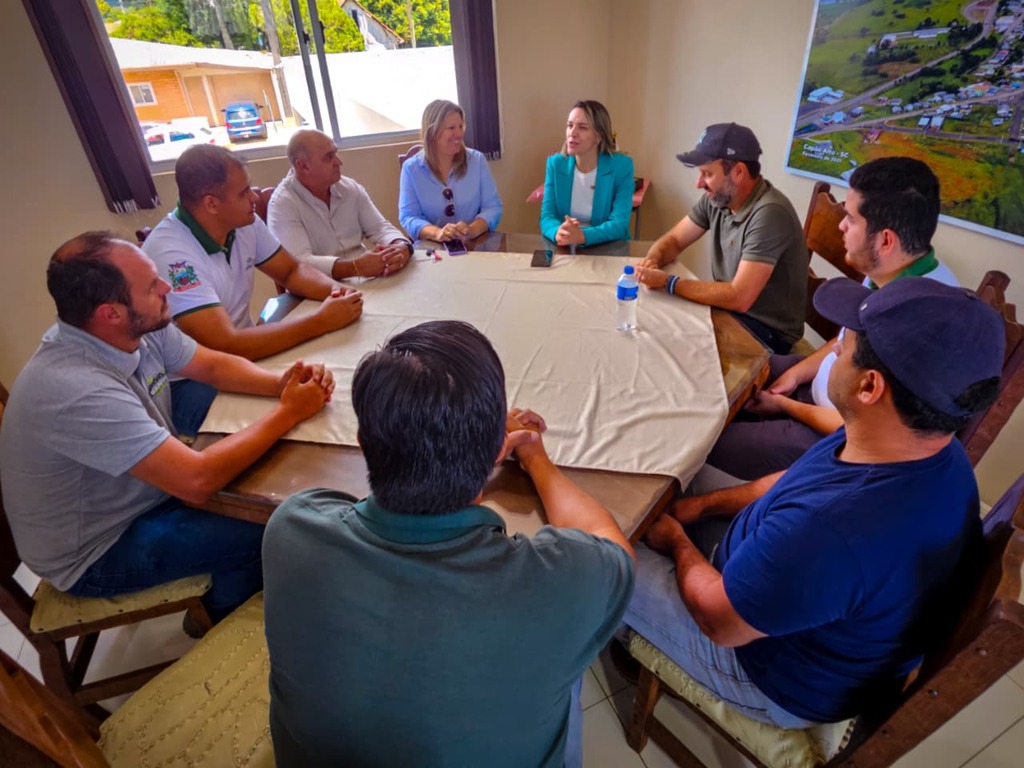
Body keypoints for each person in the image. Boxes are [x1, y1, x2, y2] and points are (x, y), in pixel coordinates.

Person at [624, 276, 1003, 728]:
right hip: (778, 587)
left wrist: (677, 544)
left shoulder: (836, 531)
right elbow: (793, 481)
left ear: (869, 386)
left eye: (844, 343)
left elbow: (719, 621)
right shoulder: (919, 441)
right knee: (660, 467)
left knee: (597, 549)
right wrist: (704, 507)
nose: (833, 348)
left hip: (762, 668)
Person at [262, 320, 635, 768]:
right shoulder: (562, 582)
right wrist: (534, 457)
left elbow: (367, 509)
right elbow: (611, 544)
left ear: (362, 444)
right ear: (498, 447)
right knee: (565, 668)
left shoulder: (290, 529)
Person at [0, 232, 334, 624]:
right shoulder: (74, 387)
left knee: (270, 497)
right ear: (111, 312)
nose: (166, 287)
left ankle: (237, 589)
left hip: (142, 497)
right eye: (151, 285)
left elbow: (211, 365)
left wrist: (280, 384)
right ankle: (217, 616)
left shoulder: (138, 326)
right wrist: (288, 412)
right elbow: (197, 480)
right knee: (272, 532)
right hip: (98, 548)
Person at [708, 156, 959, 479]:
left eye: (851, 219)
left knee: (708, 439)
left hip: (834, 437)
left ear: (885, 240)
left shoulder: (913, 323)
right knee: (717, 372)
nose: (841, 224)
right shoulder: (889, 268)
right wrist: (796, 375)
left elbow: (859, 428)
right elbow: (843, 340)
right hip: (818, 388)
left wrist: (786, 407)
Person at [143, 144, 363, 364]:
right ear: (211, 203)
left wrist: (341, 294)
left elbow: (291, 271)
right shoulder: (173, 257)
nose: (254, 198)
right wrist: (320, 322)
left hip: (245, 347)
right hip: (195, 375)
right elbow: (224, 345)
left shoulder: (242, 222)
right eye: (243, 193)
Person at [635, 123, 807, 353]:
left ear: (738, 172)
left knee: (669, 346)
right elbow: (675, 239)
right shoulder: (718, 198)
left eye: (707, 173)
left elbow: (739, 297)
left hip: (766, 333)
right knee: (655, 326)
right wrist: (652, 261)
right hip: (732, 314)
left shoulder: (770, 213)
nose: (699, 183)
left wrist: (668, 282)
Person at [267, 129, 414, 281]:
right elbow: (299, 263)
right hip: (319, 291)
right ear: (303, 166)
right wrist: (355, 267)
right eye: (329, 157)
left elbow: (380, 228)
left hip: (365, 281)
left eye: (335, 153)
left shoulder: (349, 187)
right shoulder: (282, 204)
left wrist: (401, 246)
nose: (339, 161)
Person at [398, 99, 503, 243]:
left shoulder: (477, 160)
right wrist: (437, 233)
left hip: (474, 247)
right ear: (433, 132)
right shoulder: (411, 169)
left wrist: (471, 230)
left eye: (461, 126)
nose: (459, 134)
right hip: (433, 252)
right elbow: (408, 217)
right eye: (451, 128)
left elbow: (493, 208)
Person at [539, 100, 634, 248]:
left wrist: (582, 236)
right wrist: (558, 231)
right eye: (570, 125)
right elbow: (547, 216)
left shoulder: (621, 166)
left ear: (599, 136)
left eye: (582, 128)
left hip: (607, 247)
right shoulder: (555, 164)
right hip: (565, 247)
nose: (572, 133)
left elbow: (619, 224)